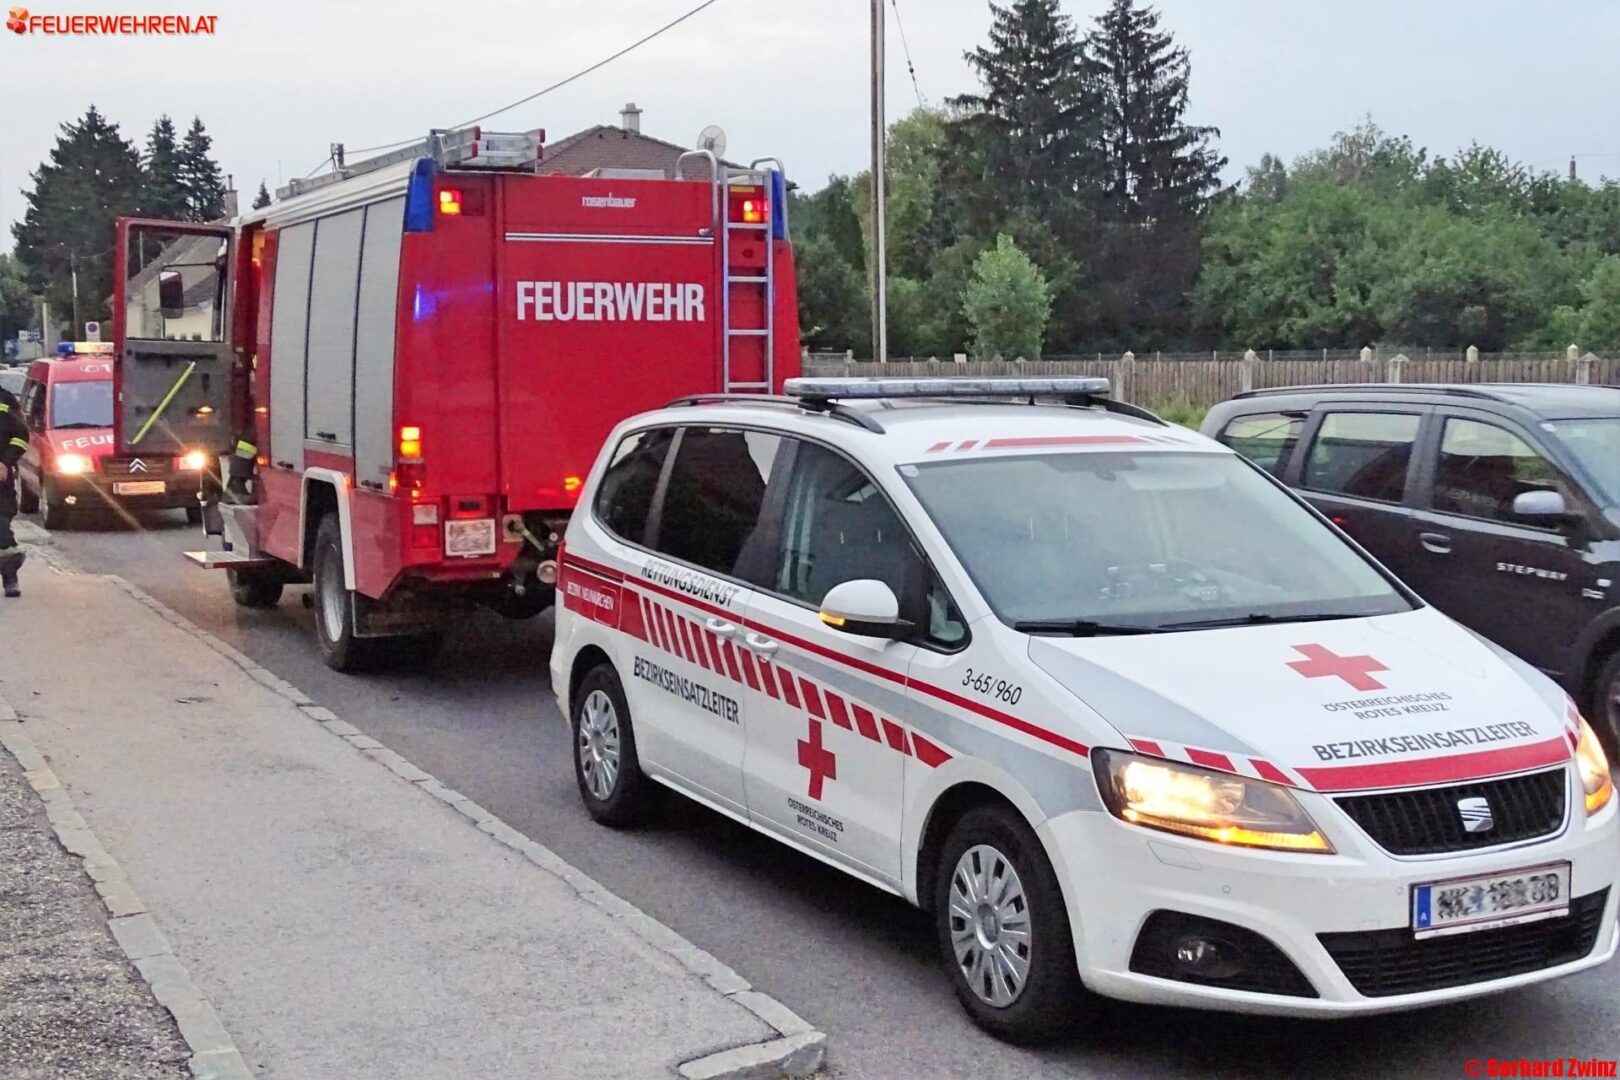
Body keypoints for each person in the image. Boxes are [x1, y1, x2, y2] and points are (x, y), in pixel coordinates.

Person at [0, 383, 26, 597]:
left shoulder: (6, 400)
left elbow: (21, 436)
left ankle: (10, 578)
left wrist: (5, 462)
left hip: (0, 483)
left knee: (2, 531)